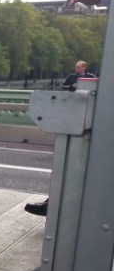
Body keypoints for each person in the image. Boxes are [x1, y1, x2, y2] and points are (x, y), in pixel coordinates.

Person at [26, 59, 97, 216]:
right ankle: (56, 202)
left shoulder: (92, 77)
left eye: (79, 66)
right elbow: (64, 90)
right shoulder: (71, 77)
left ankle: (59, 204)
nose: (76, 68)